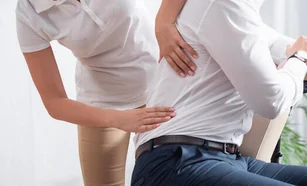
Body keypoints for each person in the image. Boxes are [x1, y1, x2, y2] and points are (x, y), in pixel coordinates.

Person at [131, 0, 307, 185]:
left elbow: (273, 42)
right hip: (173, 162)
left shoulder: (242, 10)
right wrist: (302, 57)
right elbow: (271, 101)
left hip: (225, 158)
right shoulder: (224, 4)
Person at [14, 0, 191, 185]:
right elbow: (54, 102)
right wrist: (117, 118)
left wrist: (165, 22)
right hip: (103, 104)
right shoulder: (29, 11)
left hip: (164, 86)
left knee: (178, 176)